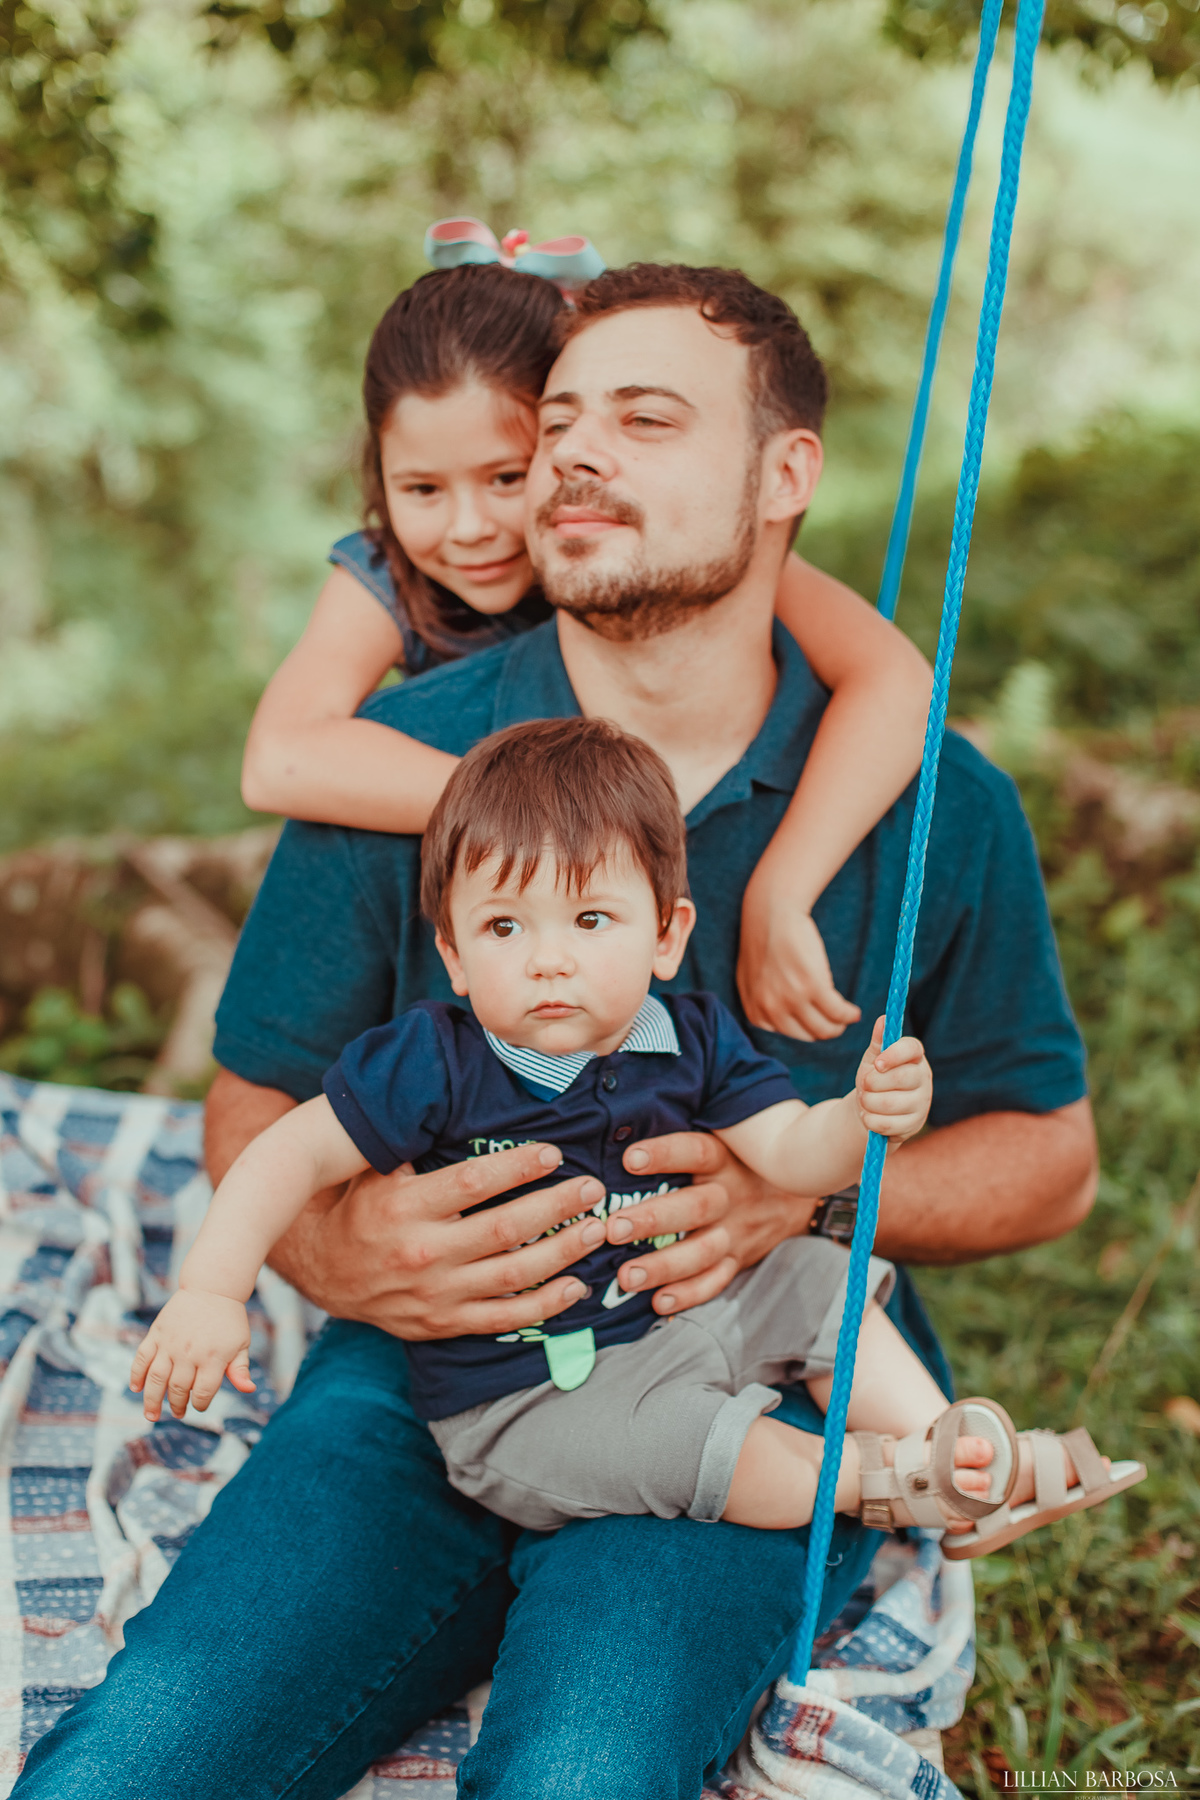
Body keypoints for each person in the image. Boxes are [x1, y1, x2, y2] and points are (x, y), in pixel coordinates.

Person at [13, 263, 1102, 1800]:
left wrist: (796, 1199)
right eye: (564, 420)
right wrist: (342, 1252)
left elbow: (1050, 1164)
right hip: (431, 1360)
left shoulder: (929, 800)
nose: (577, 453)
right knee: (136, 1764)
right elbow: (254, 1107)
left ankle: (896, 1479)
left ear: (785, 474)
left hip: (747, 1371)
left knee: (580, 1774)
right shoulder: (407, 763)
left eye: (645, 420)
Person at [132, 717, 1139, 1555]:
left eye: (591, 920)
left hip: (682, 1317)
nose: (549, 961)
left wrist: (862, 1117)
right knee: (697, 1448)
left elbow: (794, 1157)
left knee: (815, 1273)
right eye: (505, 927)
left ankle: (956, 1456)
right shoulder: (434, 1060)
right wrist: (212, 1290)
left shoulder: (694, 1038)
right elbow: (288, 1151)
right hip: (531, 1404)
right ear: (454, 953)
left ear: (666, 935)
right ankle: (890, 1482)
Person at [240, 255, 935, 1044]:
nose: (470, 528)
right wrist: (538, 810)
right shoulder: (386, 576)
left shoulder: (662, 536)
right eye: (423, 489)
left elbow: (893, 676)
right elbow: (279, 759)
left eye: (507, 477)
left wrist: (783, 887)